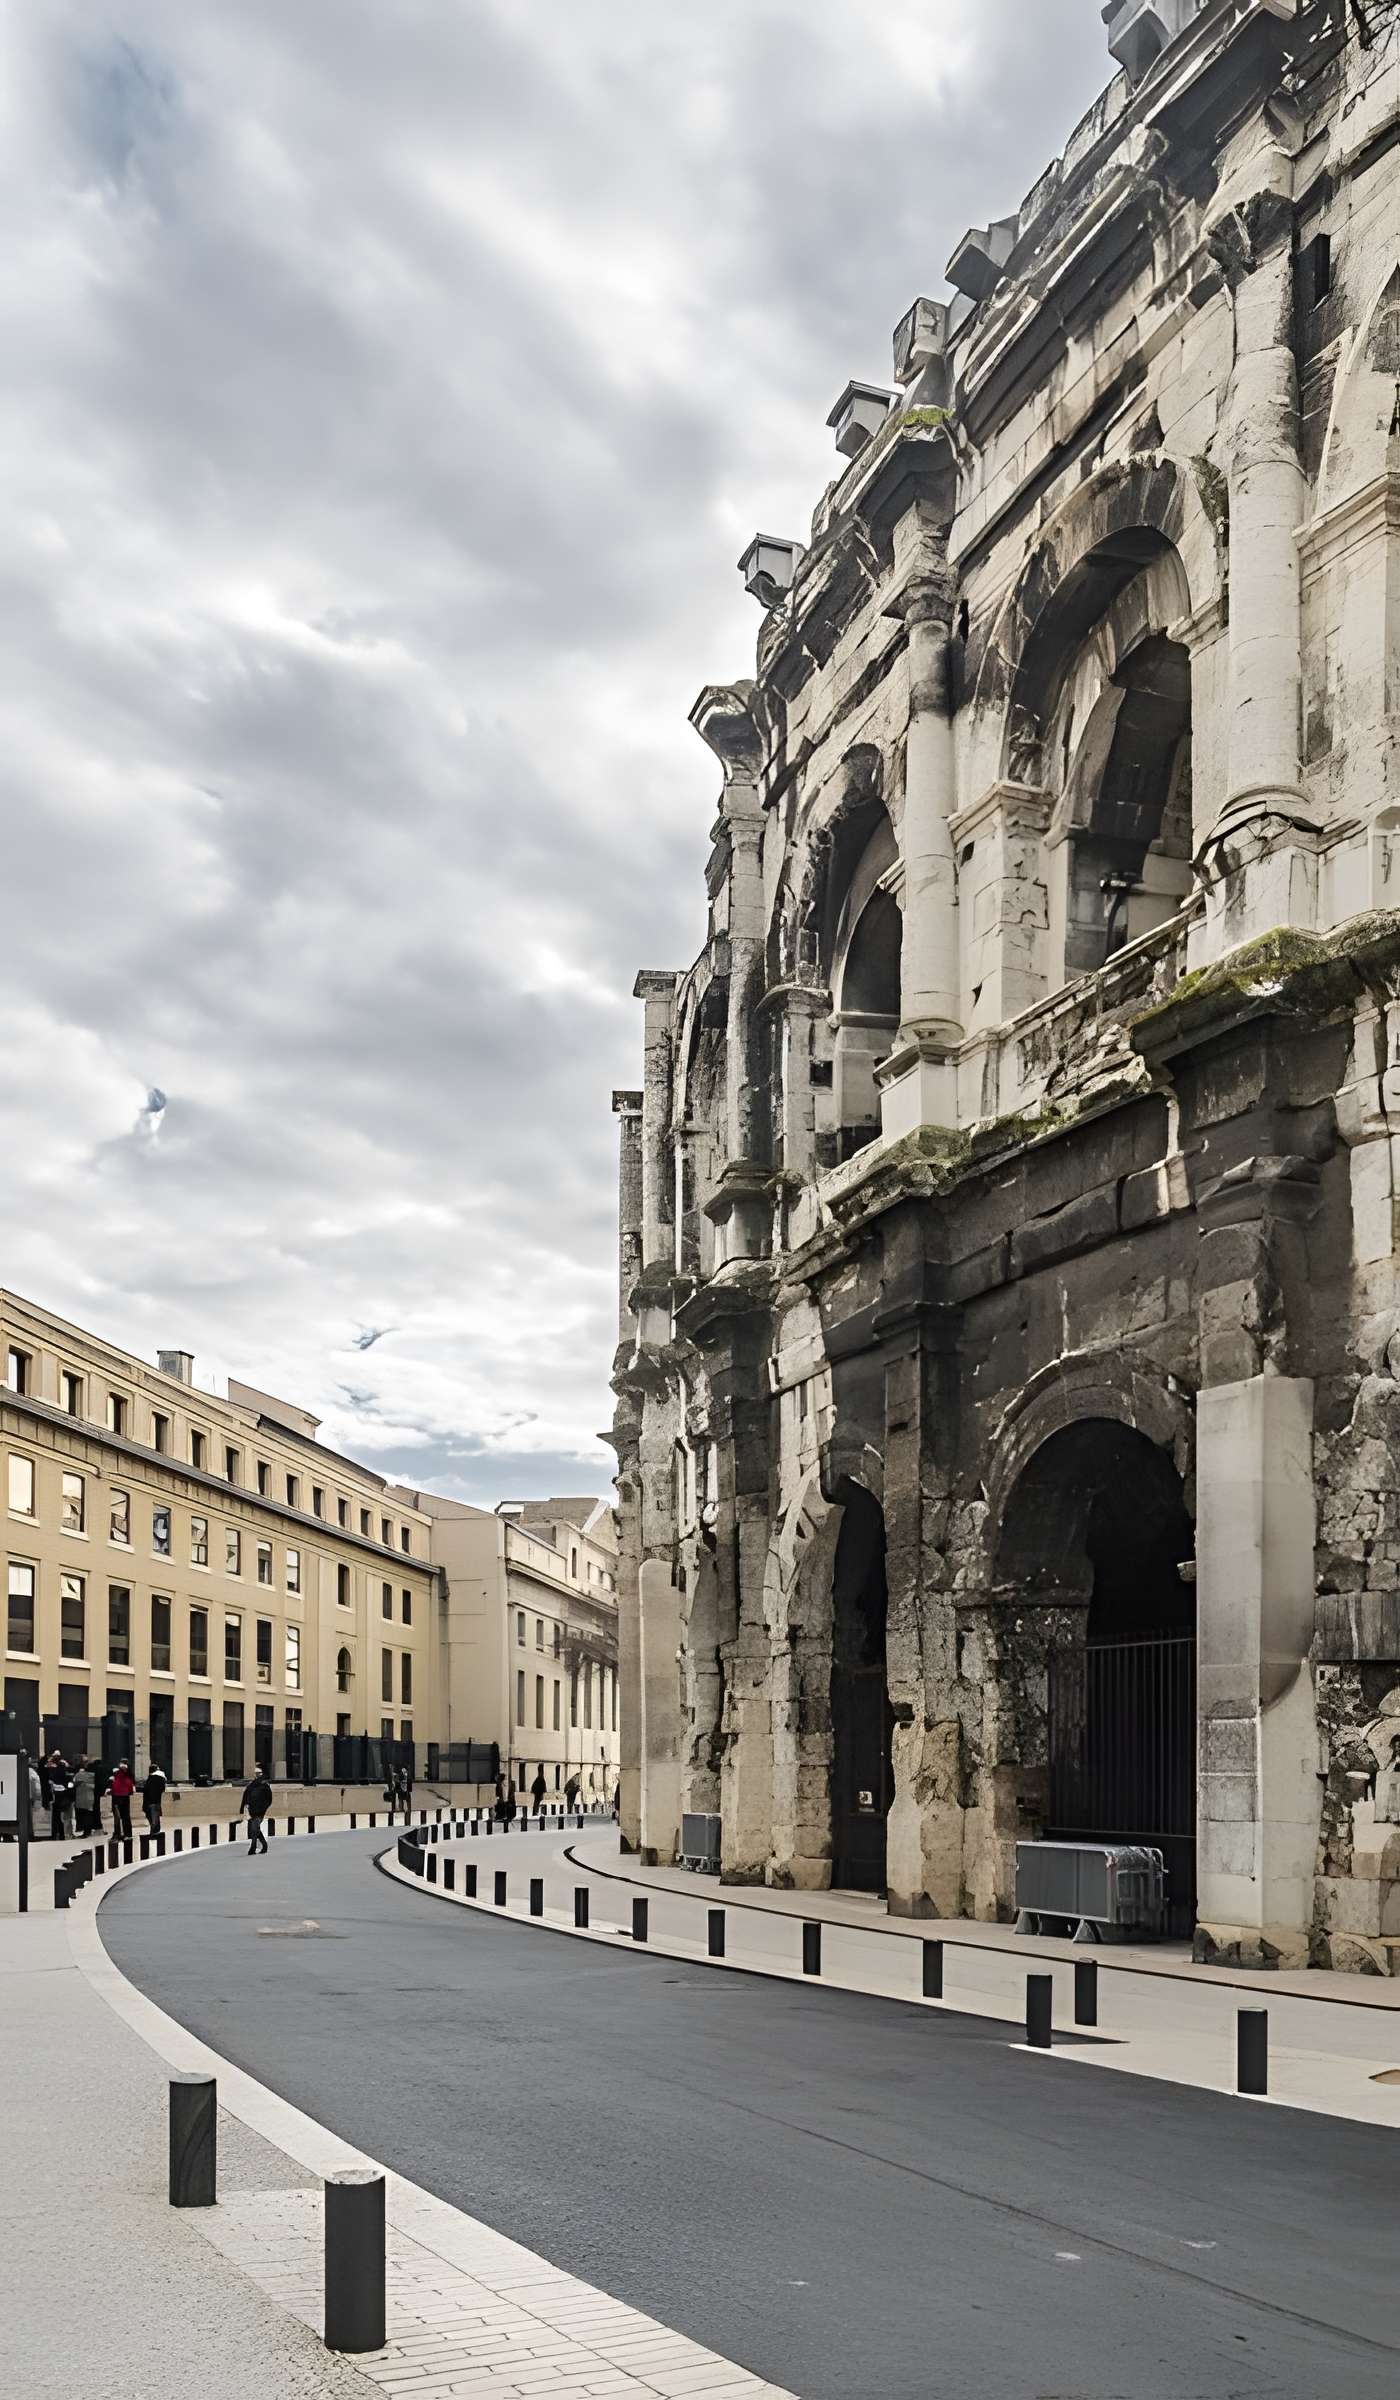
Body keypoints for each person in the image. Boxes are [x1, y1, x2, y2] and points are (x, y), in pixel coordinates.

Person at [241, 1763, 273, 1856]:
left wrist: (263, 1808)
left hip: (260, 1811)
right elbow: (246, 1795)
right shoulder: (251, 1785)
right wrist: (245, 1806)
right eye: (256, 1773)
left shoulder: (265, 1785)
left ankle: (253, 1847)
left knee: (254, 1828)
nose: (257, 1775)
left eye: (259, 1773)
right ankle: (264, 1845)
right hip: (252, 1810)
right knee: (255, 1829)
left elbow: (269, 1799)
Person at [47, 1753, 75, 1841]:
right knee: (66, 1818)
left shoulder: (52, 1774)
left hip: (56, 1797)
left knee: (56, 1817)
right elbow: (71, 1787)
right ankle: (66, 1834)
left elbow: (50, 1785)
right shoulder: (67, 1776)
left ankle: (56, 1834)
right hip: (65, 1797)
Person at [108, 1759, 135, 1841]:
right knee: (124, 1816)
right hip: (122, 1795)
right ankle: (125, 1833)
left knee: (119, 1816)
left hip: (118, 1796)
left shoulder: (124, 1773)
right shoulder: (119, 1773)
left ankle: (119, 1834)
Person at [74, 1756, 100, 1838]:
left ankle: (86, 1831)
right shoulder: (94, 1776)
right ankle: (88, 1831)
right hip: (90, 1797)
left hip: (81, 1798)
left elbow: (73, 1783)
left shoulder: (79, 1775)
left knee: (84, 1815)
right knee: (89, 1814)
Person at [142, 1765, 166, 1836]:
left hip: (149, 1802)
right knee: (155, 1819)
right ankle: (155, 1833)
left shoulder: (150, 1779)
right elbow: (162, 1789)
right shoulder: (160, 1778)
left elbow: (146, 1789)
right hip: (155, 1801)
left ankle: (154, 1834)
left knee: (153, 1819)